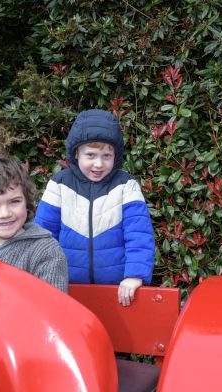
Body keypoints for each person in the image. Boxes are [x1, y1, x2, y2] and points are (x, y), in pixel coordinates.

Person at [34, 109, 155, 306]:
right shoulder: (59, 184)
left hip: (118, 290)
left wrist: (135, 275)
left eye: (107, 156)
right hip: (66, 287)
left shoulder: (126, 185)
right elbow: (43, 235)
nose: (98, 164)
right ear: (76, 153)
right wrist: (42, 274)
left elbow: (139, 234)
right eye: (90, 155)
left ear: (115, 156)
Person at [0, 154, 68, 293]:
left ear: (26, 201)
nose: (5, 214)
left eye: (14, 202)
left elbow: (53, 308)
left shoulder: (46, 251)